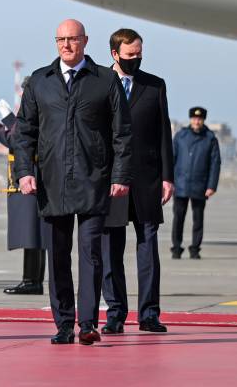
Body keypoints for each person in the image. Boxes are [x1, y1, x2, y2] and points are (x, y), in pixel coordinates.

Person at [12, 19, 132, 346]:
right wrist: (24, 172)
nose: (67, 45)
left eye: (73, 39)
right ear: (56, 42)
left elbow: (122, 134)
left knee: (91, 254)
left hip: (94, 181)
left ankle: (89, 322)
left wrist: (120, 176)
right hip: (51, 184)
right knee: (59, 257)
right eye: (61, 39)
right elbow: (23, 134)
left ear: (85, 41)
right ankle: (64, 323)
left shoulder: (105, 80)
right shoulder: (39, 81)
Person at [100, 28, 173, 335]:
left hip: (147, 180)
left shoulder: (154, 86)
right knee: (110, 250)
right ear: (115, 54)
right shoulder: (100, 83)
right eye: (130, 55)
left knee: (148, 248)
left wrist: (168, 177)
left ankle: (149, 314)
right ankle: (115, 312)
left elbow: (163, 133)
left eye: (140, 54)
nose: (136, 59)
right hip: (111, 180)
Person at [0, 92, 47, 296]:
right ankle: (33, 280)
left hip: (32, 180)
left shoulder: (41, 114)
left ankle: (32, 281)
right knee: (34, 236)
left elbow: (17, 140)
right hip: (32, 180)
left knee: (33, 235)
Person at [171, 107, 220, 260]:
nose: (196, 121)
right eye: (194, 118)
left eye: (199, 119)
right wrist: (168, 181)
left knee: (198, 219)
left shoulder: (210, 138)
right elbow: (171, 159)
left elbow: (215, 163)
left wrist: (211, 185)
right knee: (178, 218)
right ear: (190, 119)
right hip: (180, 185)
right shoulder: (180, 136)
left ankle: (195, 249)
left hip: (200, 186)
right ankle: (177, 248)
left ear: (203, 120)